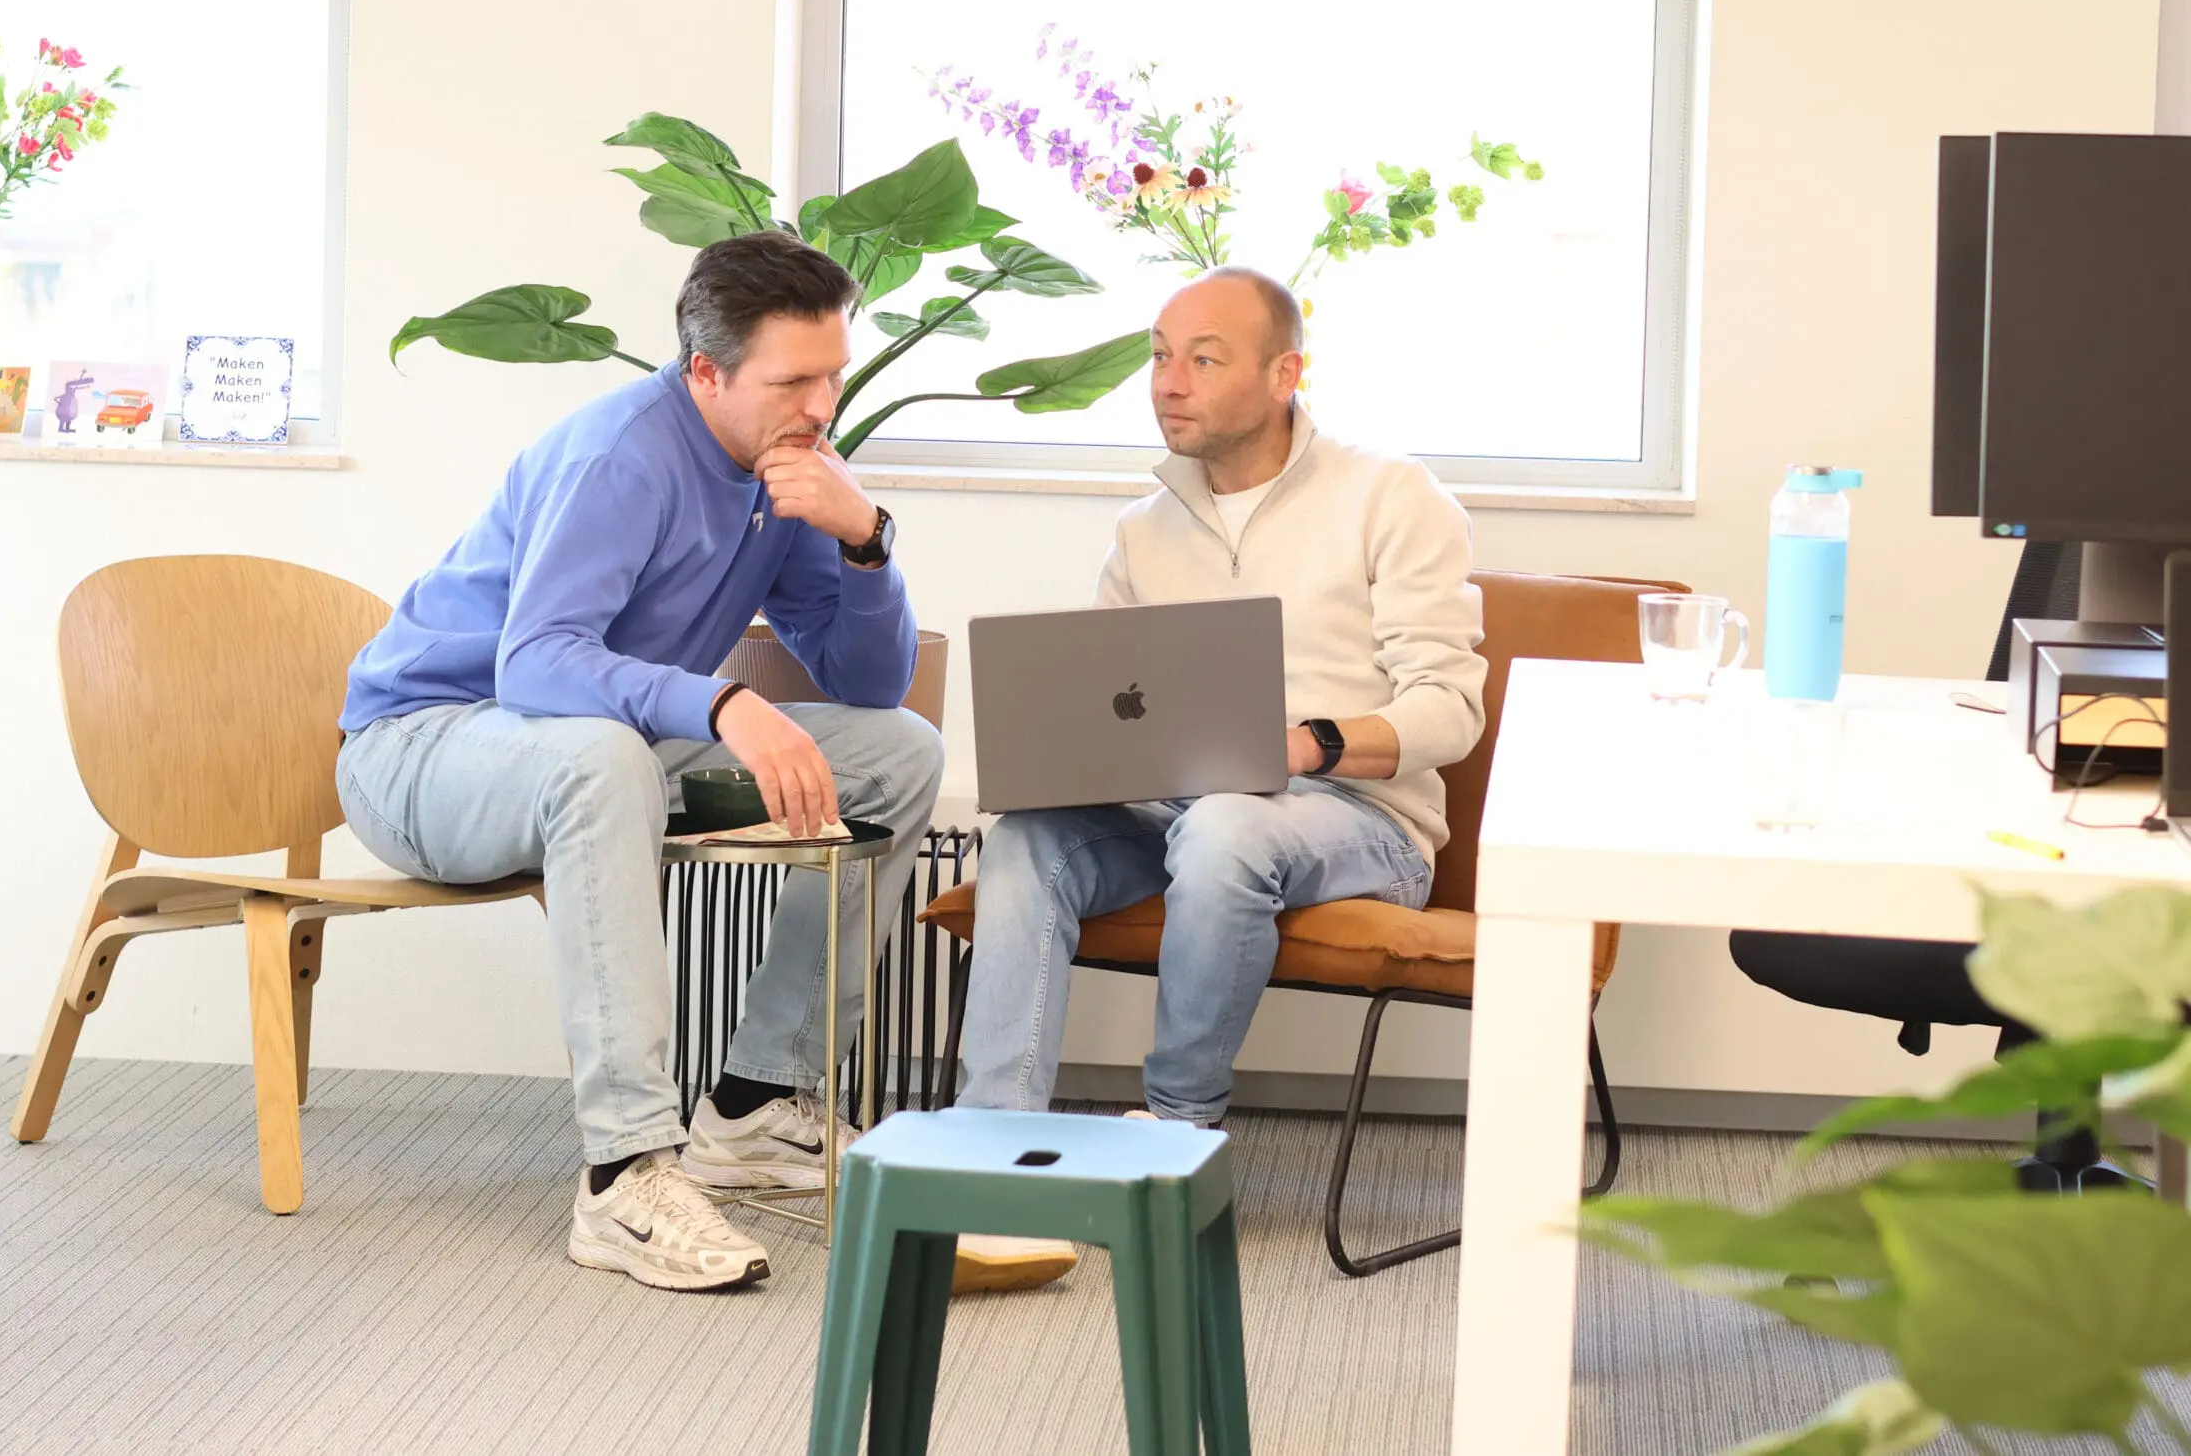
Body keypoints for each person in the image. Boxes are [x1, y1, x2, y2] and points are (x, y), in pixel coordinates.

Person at [336, 230, 944, 1294]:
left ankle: (758, 1105)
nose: (821, 405)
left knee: (899, 755)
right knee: (602, 760)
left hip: (594, 742)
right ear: (706, 371)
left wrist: (864, 541)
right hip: (425, 748)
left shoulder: (784, 469)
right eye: (794, 379)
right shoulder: (623, 453)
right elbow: (535, 663)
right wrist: (724, 701)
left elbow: (869, 683)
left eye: (835, 374)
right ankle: (625, 1172)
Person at [951, 266, 1485, 1292]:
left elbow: (1449, 710)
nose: (1168, 381)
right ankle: (991, 1158)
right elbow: (1108, 699)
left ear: (1285, 372)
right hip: (1181, 810)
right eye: (1159, 355)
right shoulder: (1143, 530)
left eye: (1203, 358)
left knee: (1233, 823)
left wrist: (1304, 745)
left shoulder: (1390, 494)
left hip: (1358, 819)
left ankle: (1176, 1134)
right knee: (1030, 837)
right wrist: (1063, 762)